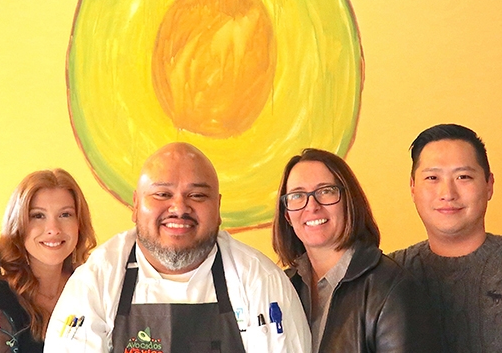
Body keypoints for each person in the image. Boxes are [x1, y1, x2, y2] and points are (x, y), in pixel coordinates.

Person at [44, 142, 310, 352]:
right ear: (136, 205)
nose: (180, 208)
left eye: (197, 195)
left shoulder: (260, 281)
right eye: (162, 194)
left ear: (218, 208)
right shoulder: (97, 281)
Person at [390, 123, 502, 352]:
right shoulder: (386, 275)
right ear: (412, 187)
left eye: (463, 177)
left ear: (489, 185)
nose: (447, 194)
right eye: (432, 177)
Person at [272, 148, 440, 353]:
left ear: (349, 202)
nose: (312, 206)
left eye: (325, 191)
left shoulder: (390, 286)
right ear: (287, 216)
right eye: (297, 195)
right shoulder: (280, 287)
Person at [0, 169, 97, 353]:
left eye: (65, 214)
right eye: (38, 216)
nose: (53, 229)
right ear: (18, 226)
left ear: (80, 224)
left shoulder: (91, 288)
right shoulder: (2, 298)